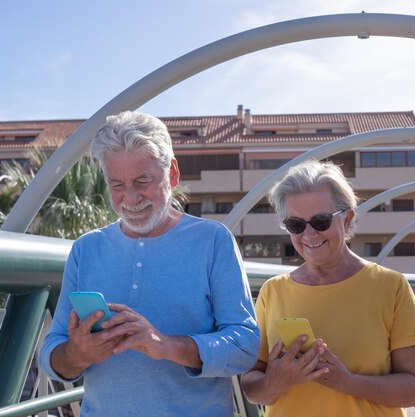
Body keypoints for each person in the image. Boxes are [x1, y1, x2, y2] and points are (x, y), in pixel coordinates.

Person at [39, 111, 260, 417]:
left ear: (172, 174)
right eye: (117, 185)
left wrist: (167, 346)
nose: (130, 198)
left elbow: (246, 345)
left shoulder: (213, 241)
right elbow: (52, 352)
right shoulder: (85, 249)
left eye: (142, 181)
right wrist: (76, 354)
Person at [241, 159, 415, 417]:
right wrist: (276, 382)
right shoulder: (272, 291)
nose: (309, 235)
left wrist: (348, 382)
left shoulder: (391, 287)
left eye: (320, 221)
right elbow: (251, 388)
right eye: (295, 224)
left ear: (348, 219)